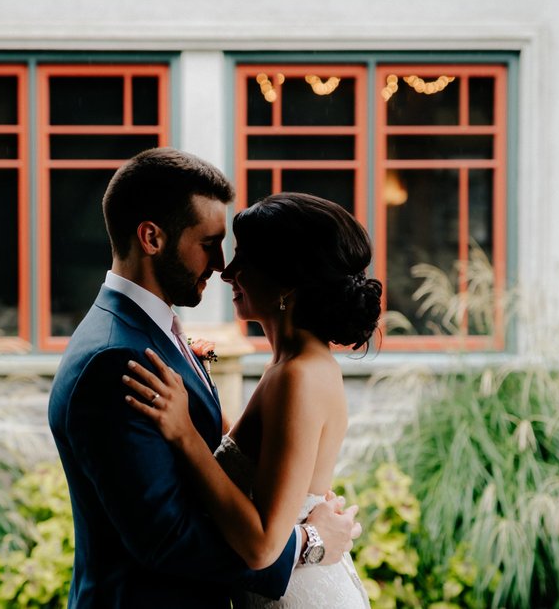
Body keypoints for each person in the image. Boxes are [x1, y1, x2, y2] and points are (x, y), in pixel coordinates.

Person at [48, 149, 360, 609]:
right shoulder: (116, 359)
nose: (220, 267)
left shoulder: (150, 332)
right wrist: (307, 542)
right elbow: (166, 537)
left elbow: (225, 456)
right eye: (210, 243)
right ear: (152, 238)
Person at [122, 191, 382, 608]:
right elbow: (255, 463)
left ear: (288, 282)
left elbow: (262, 547)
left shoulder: (298, 376)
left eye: (244, 259)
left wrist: (184, 434)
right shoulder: (293, 366)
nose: (227, 273)